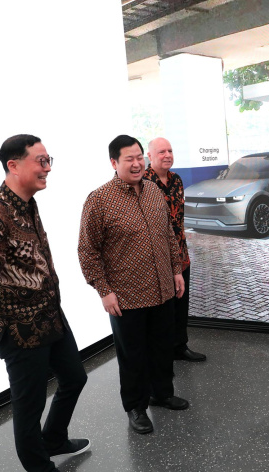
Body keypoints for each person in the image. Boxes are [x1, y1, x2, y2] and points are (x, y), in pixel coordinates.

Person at [0, 135, 89, 472]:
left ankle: (54, 439)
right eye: (40, 161)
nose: (47, 168)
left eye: (49, 160)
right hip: (20, 329)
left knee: (74, 377)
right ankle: (40, 470)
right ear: (14, 165)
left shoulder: (27, 203)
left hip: (50, 316)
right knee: (29, 404)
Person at [78, 134, 188, 435]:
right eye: (130, 159)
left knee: (162, 346)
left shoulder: (153, 190)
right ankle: (135, 407)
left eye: (140, 157)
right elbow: (87, 250)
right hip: (127, 295)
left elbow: (167, 233)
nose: (137, 163)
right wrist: (104, 290)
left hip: (163, 287)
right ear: (114, 162)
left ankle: (162, 393)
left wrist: (176, 270)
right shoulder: (99, 200)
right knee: (133, 355)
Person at [144, 137, 206, 362]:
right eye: (161, 152)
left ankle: (180, 346)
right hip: (157, 256)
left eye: (169, 151)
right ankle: (161, 351)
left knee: (181, 303)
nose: (167, 155)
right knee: (162, 307)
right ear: (150, 156)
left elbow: (178, 218)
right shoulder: (143, 182)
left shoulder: (177, 180)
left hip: (180, 252)